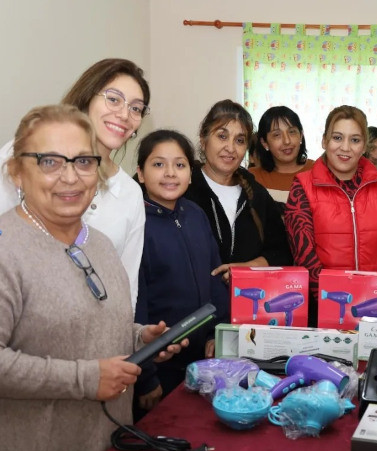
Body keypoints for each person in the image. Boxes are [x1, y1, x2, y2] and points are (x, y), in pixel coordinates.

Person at [0, 105, 186, 451]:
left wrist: (142, 339)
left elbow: (88, 329)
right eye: (50, 162)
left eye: (84, 161)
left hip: (100, 450)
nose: (70, 177)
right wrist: (85, 379)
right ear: (17, 173)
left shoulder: (100, 244)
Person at [0, 58, 149, 309]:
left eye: (136, 108)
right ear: (88, 97)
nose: (124, 114)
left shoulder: (130, 193)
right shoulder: (25, 156)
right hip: (16, 319)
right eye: (113, 99)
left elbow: (125, 289)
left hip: (96, 335)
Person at [132, 129, 229, 420]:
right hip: (161, 364)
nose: (170, 173)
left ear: (190, 173)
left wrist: (218, 333)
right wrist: (146, 377)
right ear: (140, 173)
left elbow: (215, 277)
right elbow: (137, 303)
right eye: (158, 164)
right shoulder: (136, 223)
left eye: (180, 164)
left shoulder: (195, 214)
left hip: (203, 357)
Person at [285, 105, 377, 326]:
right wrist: (329, 299)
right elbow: (303, 252)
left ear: (364, 146)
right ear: (324, 141)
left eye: (355, 140)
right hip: (323, 306)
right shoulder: (302, 186)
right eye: (337, 137)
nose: (345, 148)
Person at [185, 99, 292, 282]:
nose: (230, 148)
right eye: (222, 136)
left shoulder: (256, 194)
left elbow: (282, 251)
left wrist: (247, 268)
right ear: (203, 140)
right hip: (194, 305)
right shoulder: (184, 189)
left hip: (249, 303)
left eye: (240, 140)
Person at [249, 106, 315, 205]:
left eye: (292, 132)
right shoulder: (253, 177)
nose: (287, 141)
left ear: (301, 135)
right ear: (264, 143)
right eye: (277, 135)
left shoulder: (318, 170)